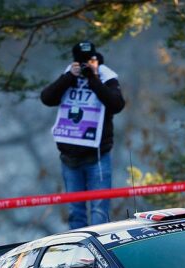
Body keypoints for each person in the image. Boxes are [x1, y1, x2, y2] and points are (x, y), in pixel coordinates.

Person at [40, 41, 125, 229]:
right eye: (82, 61)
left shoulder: (106, 76)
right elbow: (47, 98)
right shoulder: (69, 75)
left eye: (89, 60)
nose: (86, 64)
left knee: (99, 213)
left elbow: (117, 105)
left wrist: (94, 78)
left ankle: (99, 254)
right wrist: (69, 76)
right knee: (75, 213)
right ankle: (78, 255)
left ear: (95, 59)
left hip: (98, 157)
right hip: (70, 159)